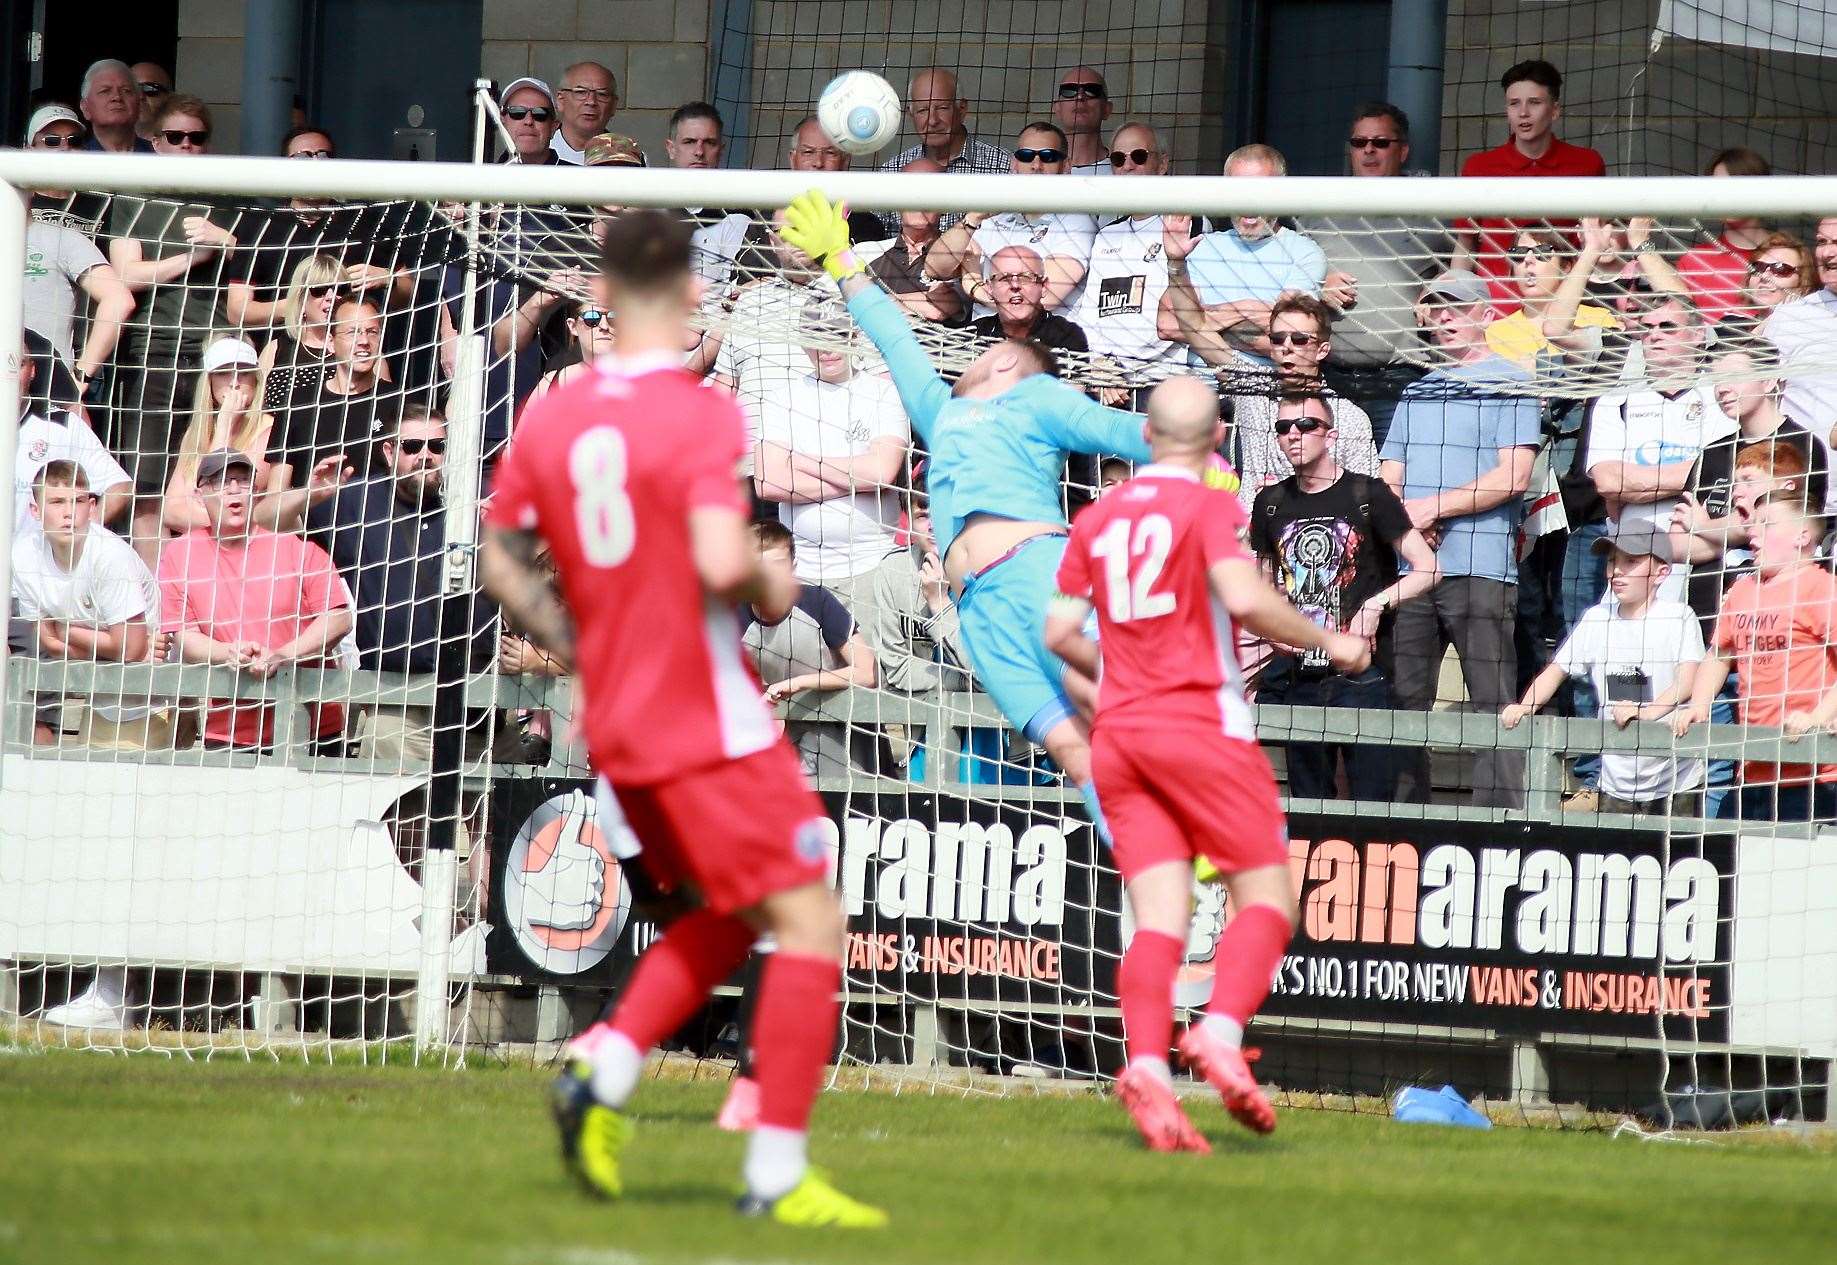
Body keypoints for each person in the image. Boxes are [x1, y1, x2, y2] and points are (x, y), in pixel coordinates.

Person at [478, 208, 886, 1227]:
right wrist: (769, 578)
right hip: (706, 718)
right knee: (810, 918)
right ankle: (775, 1173)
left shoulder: (557, 412)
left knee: (736, 908)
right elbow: (718, 563)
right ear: (695, 290)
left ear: (601, 297)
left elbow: (497, 558)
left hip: (613, 724)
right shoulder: (700, 413)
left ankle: (603, 1065)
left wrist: (579, 645)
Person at [1044, 375, 1370, 1152]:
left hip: (1120, 734)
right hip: (1199, 724)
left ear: (1145, 437)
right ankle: (1220, 1031)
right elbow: (1244, 597)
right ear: (1216, 440)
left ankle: (1149, 1069)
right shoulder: (1208, 504)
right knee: (1266, 898)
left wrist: (1123, 671)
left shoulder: (1095, 516)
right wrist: (1332, 641)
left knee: (1159, 918)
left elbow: (1058, 635)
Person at [780, 188, 1154, 847]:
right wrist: (839, 259)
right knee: (1074, 752)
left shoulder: (1036, 397)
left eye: (981, 354)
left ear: (1007, 363)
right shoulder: (941, 410)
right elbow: (894, 335)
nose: (969, 350)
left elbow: (1120, 429)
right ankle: (1157, 860)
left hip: (1035, 576)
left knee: (1114, 716)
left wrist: (1192, 454)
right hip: (980, 613)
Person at [1380, 270, 1541, 807]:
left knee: (1495, 704)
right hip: (1412, 574)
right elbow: (1390, 480)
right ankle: (1403, 822)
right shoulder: (1415, 388)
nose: (1445, 318)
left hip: (1482, 567)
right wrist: (1406, 521)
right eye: (1436, 308)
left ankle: (1501, 827)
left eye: (1457, 308)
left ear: (1486, 314)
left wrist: (1430, 507)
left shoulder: (1513, 381)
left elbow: (1514, 477)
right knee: (1404, 704)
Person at [1250, 392, 1439, 802]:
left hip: (1363, 675)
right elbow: (1261, 589)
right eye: (1283, 428)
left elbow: (1427, 567)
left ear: (1330, 434)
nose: (1293, 436)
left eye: (1305, 426)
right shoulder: (1269, 503)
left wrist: (1376, 604)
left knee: (1372, 802)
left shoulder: (1367, 494)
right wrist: (1272, 628)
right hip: (1300, 675)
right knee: (1308, 803)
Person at [307, 408, 495, 763]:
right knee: (383, 745)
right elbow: (268, 522)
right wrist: (310, 495)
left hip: (477, 706)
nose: (425, 456)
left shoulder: (477, 501)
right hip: (394, 700)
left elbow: (547, 561)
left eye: (436, 446)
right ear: (390, 452)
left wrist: (507, 529)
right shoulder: (355, 501)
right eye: (412, 446)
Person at [107, 94, 244, 553]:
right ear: (154, 141)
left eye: (197, 138)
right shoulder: (135, 193)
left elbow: (261, 269)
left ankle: (199, 594)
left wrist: (226, 241)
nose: (187, 145)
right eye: (175, 136)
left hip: (217, 353)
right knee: (147, 483)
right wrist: (191, 258)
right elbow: (126, 273)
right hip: (154, 349)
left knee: (214, 478)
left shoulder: (229, 194)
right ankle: (153, 601)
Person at [1502, 522, 1705, 817]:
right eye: (1612, 561)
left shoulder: (1679, 618)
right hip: (1615, 783)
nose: (1617, 571)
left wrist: (1645, 714)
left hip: (1676, 781)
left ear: (1662, 573)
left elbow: (1688, 681)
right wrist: (1525, 706)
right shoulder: (1597, 618)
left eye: (1631, 561)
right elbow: (1556, 670)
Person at [158, 449, 353, 754]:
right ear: (199, 494)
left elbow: (339, 618)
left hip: (312, 728)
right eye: (221, 481)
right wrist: (229, 652)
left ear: (257, 492)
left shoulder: (297, 549)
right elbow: (185, 636)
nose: (234, 490)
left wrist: (282, 656)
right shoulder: (178, 554)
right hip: (231, 732)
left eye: (243, 481)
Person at [1164, 238, 1377, 508]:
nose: (1286, 347)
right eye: (1277, 339)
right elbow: (1194, 326)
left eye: (1299, 339)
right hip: (1254, 544)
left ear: (1322, 350)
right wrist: (1176, 263)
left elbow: (1368, 504)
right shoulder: (1252, 392)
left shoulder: (1349, 418)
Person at [1674, 493, 1837, 822]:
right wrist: (1699, 704)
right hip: (1752, 764)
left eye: (1767, 524)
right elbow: (1719, 655)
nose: (1753, 533)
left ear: (1802, 537)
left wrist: (1818, 717)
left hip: (1813, 769)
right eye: (1753, 524)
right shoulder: (1743, 590)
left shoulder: (1822, 589)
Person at [751, 311, 910, 622]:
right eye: (816, 337)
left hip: (874, 565)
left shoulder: (883, 393)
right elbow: (768, 483)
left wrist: (803, 462)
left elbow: (882, 474)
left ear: (853, 335)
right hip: (806, 573)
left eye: (836, 334)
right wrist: (855, 478)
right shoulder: (783, 397)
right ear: (803, 343)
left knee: (875, 668)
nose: (827, 348)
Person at [1307, 102, 1446, 446]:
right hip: (1330, 378)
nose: (1368, 150)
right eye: (1359, 142)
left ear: (1403, 150)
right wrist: (1316, 286)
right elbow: (1284, 282)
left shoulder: (1433, 212)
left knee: (1394, 487)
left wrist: (1435, 291)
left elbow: (1456, 272)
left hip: (1400, 379)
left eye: (1380, 142)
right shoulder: (1314, 210)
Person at [1586, 294, 1734, 604]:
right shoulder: (1615, 399)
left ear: (1697, 335)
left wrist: (1637, 484)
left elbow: (1729, 470)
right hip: (1633, 559)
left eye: (1667, 327)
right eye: (1647, 328)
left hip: (1708, 555)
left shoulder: (1724, 395)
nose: (1654, 335)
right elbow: (1609, 482)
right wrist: (1693, 473)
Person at [14, 459, 170, 750]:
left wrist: (65, 630)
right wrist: (107, 643)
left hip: (151, 698)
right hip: (100, 698)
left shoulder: (110, 556)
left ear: (93, 507)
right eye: (57, 502)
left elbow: (131, 649)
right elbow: (47, 641)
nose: (68, 513)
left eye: (78, 501)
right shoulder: (23, 557)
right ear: (35, 511)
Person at [163, 335, 346, 536]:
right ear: (209, 381)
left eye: (243, 372)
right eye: (223, 372)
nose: (234, 382)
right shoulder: (197, 432)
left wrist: (225, 427)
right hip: (203, 547)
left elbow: (222, 498)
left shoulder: (271, 430)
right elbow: (171, 512)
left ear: (255, 379)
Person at [1455, 59, 1606, 297]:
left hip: (1565, 302)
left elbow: (1597, 238)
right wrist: (1456, 295)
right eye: (1514, 104)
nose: (1523, 112)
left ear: (1555, 110)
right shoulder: (1479, 166)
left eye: (1534, 102)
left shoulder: (1586, 163)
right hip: (1496, 305)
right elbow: (1466, 244)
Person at [1167, 145, 1325, 368]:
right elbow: (1166, 324)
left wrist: (1200, 321)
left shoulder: (1304, 253)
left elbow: (1287, 337)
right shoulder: (1202, 247)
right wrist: (1247, 308)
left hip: (1268, 388)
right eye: (1240, 192)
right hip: (1199, 386)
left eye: (1259, 192)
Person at [741, 522, 879, 775]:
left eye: (778, 566)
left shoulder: (817, 602)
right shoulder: (731, 618)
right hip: (768, 740)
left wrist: (800, 683)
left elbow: (868, 673)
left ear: (793, 567)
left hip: (835, 731)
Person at [923, 122, 1096, 317]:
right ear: (1014, 164)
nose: (1036, 165)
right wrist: (973, 217)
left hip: (1042, 342)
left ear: (1066, 166)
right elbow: (935, 268)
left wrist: (973, 284)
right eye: (1026, 156)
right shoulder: (993, 217)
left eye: (1048, 157)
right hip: (982, 339)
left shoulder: (1077, 221)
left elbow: (1041, 301)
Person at [1076, 122, 1190, 383]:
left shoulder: (1188, 225)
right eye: (1118, 159)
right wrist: (1102, 365)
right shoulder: (1106, 234)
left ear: (1162, 165)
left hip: (1162, 380)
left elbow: (1182, 315)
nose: (1128, 166)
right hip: (1105, 377)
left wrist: (1121, 368)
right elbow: (1090, 315)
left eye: (1138, 157)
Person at [23, 181, 134, 392]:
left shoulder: (62, 238)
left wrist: (81, 376)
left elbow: (119, 300)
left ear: (30, 189)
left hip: (49, 387)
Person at [13, 338, 131, 535]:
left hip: (37, 562)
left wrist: (79, 535)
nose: (7, 375)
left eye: (18, 364)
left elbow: (120, 486)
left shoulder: (62, 425)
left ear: (33, 370)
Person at [876, 67, 1011, 231]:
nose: (932, 120)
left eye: (942, 108)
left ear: (962, 109)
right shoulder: (892, 171)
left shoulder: (1002, 166)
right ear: (911, 114)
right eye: (922, 110)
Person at [852, 158, 962, 324]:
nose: (918, 201)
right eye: (910, 191)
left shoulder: (956, 256)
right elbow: (843, 305)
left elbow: (938, 309)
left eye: (929, 194)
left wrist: (870, 301)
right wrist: (921, 299)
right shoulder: (865, 252)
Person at [1764, 216, 1837, 436]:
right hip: (1808, 465)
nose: (1826, 253)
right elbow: (1760, 398)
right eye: (1822, 242)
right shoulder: (1791, 317)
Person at [967, 245, 1091, 353]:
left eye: (1025, 278)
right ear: (989, 289)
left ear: (1044, 286)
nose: (1015, 286)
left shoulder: (1066, 336)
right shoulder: (974, 333)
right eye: (1005, 279)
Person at [784, 114, 885, 242]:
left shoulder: (866, 226)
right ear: (793, 160)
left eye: (830, 153)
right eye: (808, 152)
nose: (819, 163)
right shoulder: (768, 220)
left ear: (845, 161)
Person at [77, 59, 152, 154]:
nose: (117, 97)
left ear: (139, 104)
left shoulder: (161, 155)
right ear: (85, 108)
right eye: (105, 91)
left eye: (126, 90)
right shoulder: (76, 159)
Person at [1052, 66, 1113, 176]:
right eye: (1069, 90)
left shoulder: (1125, 169)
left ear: (1107, 109)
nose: (1080, 96)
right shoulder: (1036, 165)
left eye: (1092, 90)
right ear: (1057, 108)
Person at [552, 62, 617, 164]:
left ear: (613, 105)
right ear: (560, 100)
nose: (591, 101)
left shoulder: (628, 159)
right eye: (580, 92)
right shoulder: (538, 151)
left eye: (602, 94)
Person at [497, 77, 568, 165]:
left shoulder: (580, 176)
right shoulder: (482, 175)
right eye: (517, 112)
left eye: (540, 113)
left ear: (553, 127)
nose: (529, 121)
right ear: (502, 122)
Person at [131, 61, 173, 142]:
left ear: (169, 97)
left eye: (150, 89)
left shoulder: (183, 145)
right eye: (132, 88)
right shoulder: (102, 147)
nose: (140, 96)